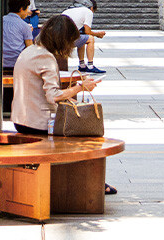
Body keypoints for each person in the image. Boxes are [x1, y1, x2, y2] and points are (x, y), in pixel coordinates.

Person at [11, 14, 117, 195]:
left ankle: (88, 181)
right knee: (84, 135)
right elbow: (53, 96)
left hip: (21, 117)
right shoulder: (46, 58)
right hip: (37, 121)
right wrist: (80, 87)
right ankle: (90, 183)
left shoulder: (30, 51)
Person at [61, 0, 106, 74]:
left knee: (83, 37)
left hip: (60, 38)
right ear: (91, 7)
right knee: (90, 38)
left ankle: (82, 65)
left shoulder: (67, 10)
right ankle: (90, 65)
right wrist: (98, 34)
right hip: (67, 40)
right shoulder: (88, 11)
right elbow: (88, 31)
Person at [3, 0, 35, 71]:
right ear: (21, 9)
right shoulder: (25, 26)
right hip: (18, 64)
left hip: (0, 62)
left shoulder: (0, 21)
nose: (28, 12)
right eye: (27, 8)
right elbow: (30, 49)